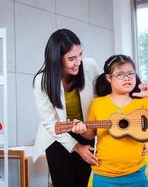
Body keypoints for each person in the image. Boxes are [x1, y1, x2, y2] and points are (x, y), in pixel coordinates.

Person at [72, 54, 148, 187]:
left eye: (130, 73)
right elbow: (90, 134)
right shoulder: (97, 103)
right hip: (104, 175)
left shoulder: (143, 102)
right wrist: (82, 130)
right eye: (120, 74)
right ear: (109, 78)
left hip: (136, 174)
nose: (127, 78)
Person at [32, 28, 100, 187]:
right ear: (57, 59)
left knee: (81, 183)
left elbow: (101, 102)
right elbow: (50, 123)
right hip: (56, 138)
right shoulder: (42, 80)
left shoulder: (89, 66)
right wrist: (77, 147)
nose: (78, 62)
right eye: (71, 58)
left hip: (85, 132)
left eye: (80, 55)